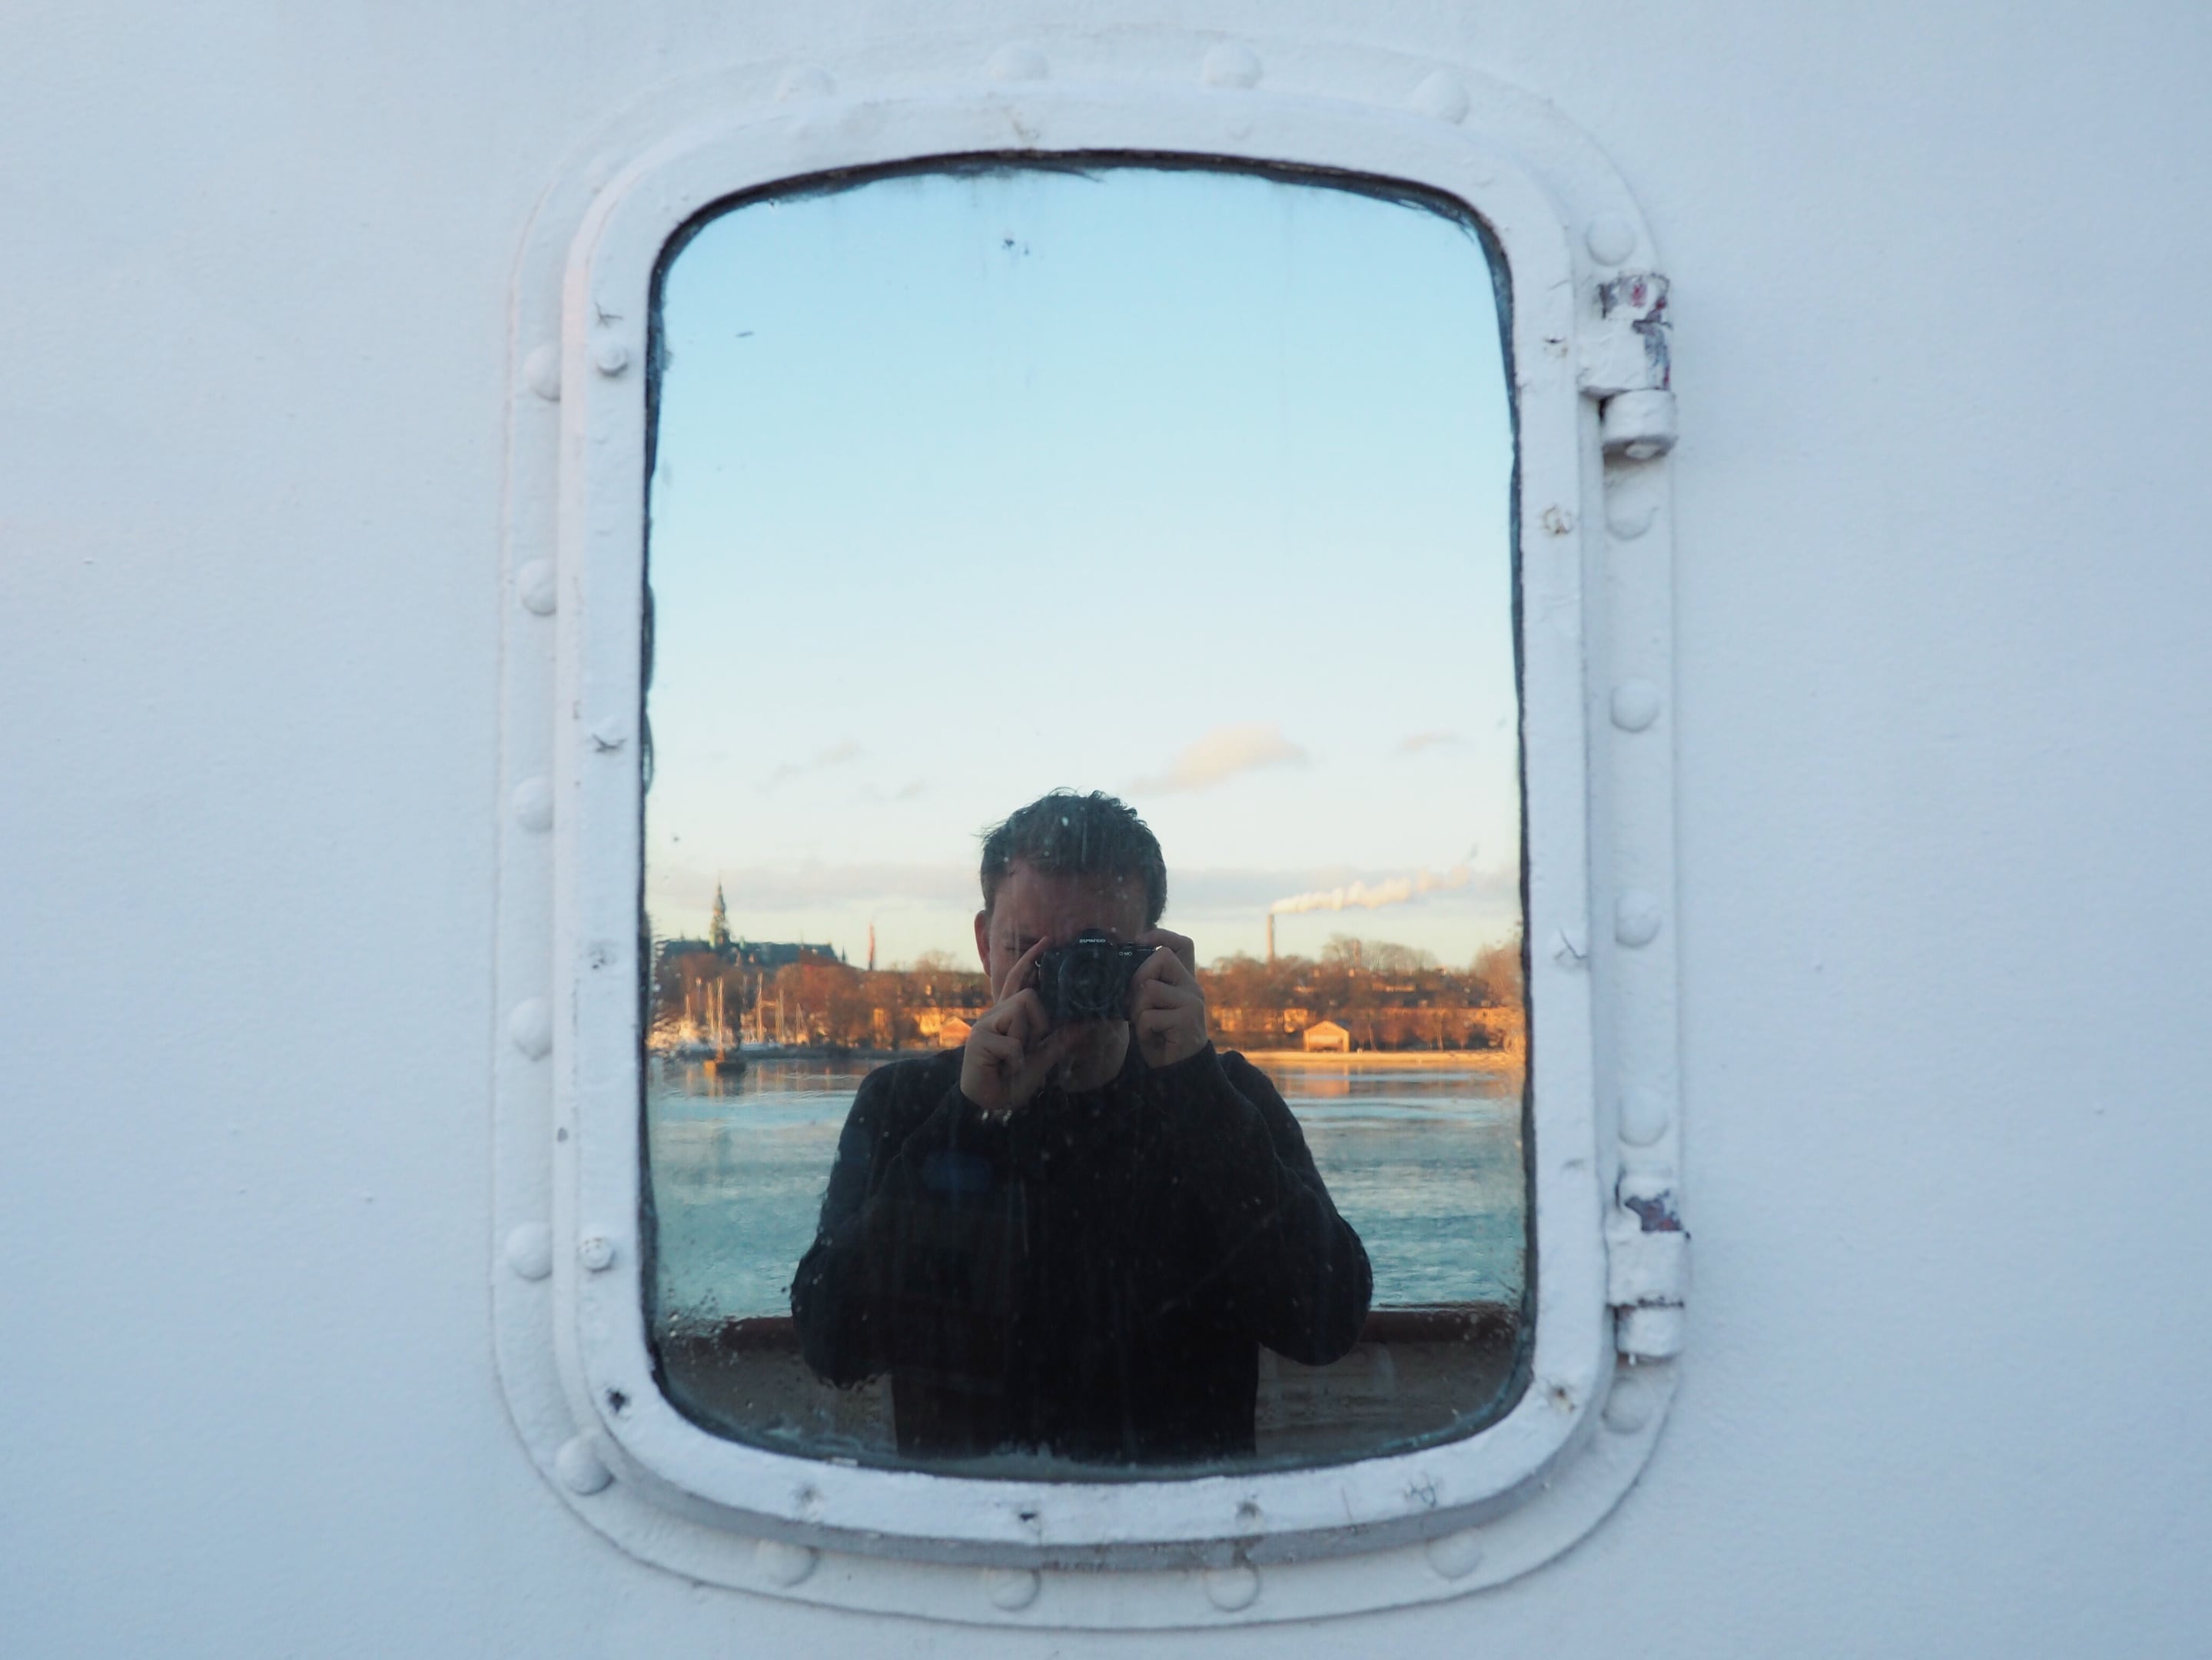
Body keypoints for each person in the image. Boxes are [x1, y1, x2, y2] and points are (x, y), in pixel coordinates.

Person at [791, 790, 1371, 1464]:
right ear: (984, 944)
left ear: (1157, 952)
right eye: (1029, 951)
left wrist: (1196, 1092)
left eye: (1096, 953)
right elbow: (833, 1343)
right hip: (971, 1517)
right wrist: (969, 1122)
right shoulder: (908, 1104)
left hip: (1177, 1517)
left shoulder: (1225, 1098)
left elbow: (1324, 1323)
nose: (1065, 979)